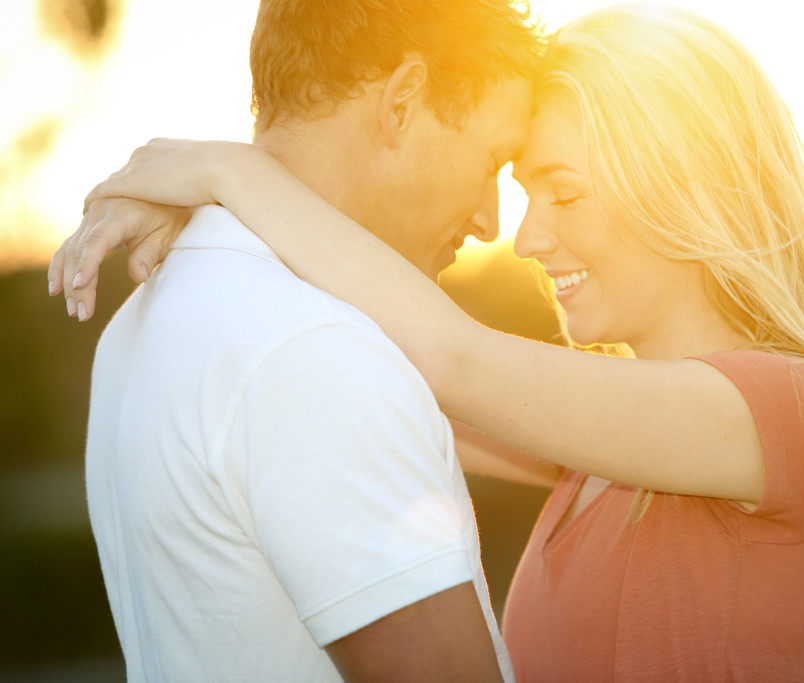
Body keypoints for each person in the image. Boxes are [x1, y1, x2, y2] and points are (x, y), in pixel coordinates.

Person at [52, 4, 804, 682]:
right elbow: (384, 358)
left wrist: (227, 170)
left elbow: (452, 359)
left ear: (677, 187)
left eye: (562, 191)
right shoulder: (605, 453)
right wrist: (202, 205)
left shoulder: (795, 414)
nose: (523, 237)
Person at [53, 0, 545, 680]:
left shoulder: (151, 313)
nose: (492, 220)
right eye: (491, 160)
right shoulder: (315, 352)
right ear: (401, 102)